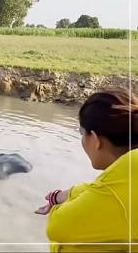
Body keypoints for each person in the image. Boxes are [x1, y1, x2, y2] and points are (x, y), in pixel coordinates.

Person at [35, 88, 137, 252]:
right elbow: (104, 190)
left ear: (95, 139)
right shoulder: (129, 172)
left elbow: (57, 227)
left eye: (82, 133)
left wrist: (56, 207)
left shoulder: (117, 188)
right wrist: (62, 195)